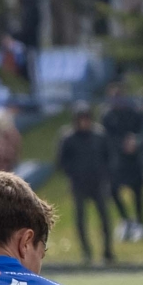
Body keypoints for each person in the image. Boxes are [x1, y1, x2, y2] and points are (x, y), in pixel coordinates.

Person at [56, 102, 115, 264]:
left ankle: (108, 251)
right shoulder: (68, 138)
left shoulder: (99, 135)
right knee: (81, 219)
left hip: (98, 182)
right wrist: (73, 173)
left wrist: (105, 174)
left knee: (105, 218)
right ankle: (86, 252)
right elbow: (61, 161)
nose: (84, 122)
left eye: (86, 118)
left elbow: (109, 156)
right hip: (79, 184)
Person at [102, 87, 143, 239]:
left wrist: (135, 142)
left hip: (134, 159)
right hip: (116, 160)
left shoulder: (133, 113)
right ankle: (126, 220)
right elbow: (107, 137)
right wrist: (122, 144)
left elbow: (142, 131)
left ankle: (140, 223)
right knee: (113, 190)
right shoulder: (107, 116)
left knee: (138, 191)